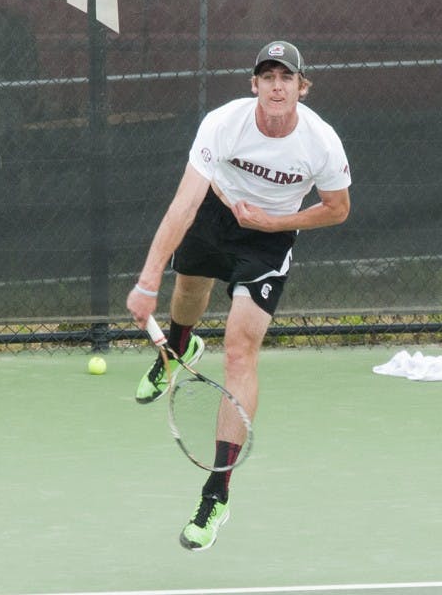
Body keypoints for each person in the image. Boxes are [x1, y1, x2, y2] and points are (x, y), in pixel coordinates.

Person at [125, 40, 352, 550]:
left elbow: (337, 208)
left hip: (269, 240)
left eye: (285, 78)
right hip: (215, 212)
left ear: (301, 87)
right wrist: (147, 281)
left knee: (238, 350)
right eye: (267, 76)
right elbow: (184, 203)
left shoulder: (321, 142)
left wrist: (277, 222)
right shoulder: (223, 124)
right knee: (189, 289)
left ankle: (216, 493)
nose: (276, 85)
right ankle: (179, 345)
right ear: (254, 85)